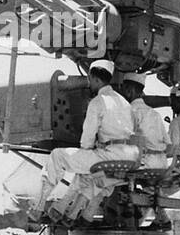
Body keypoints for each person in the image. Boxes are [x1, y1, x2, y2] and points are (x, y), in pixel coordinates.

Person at [34, 59, 139, 223]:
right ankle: (69, 213)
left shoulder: (98, 102)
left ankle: (37, 208)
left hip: (110, 155)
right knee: (87, 170)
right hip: (129, 157)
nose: (89, 84)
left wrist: (86, 149)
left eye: (90, 80)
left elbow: (87, 139)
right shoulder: (125, 103)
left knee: (58, 156)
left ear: (96, 79)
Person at [119, 73, 168, 169]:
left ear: (129, 91)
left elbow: (124, 141)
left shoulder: (129, 111)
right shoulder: (155, 114)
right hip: (162, 164)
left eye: (122, 90)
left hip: (143, 164)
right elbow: (168, 143)